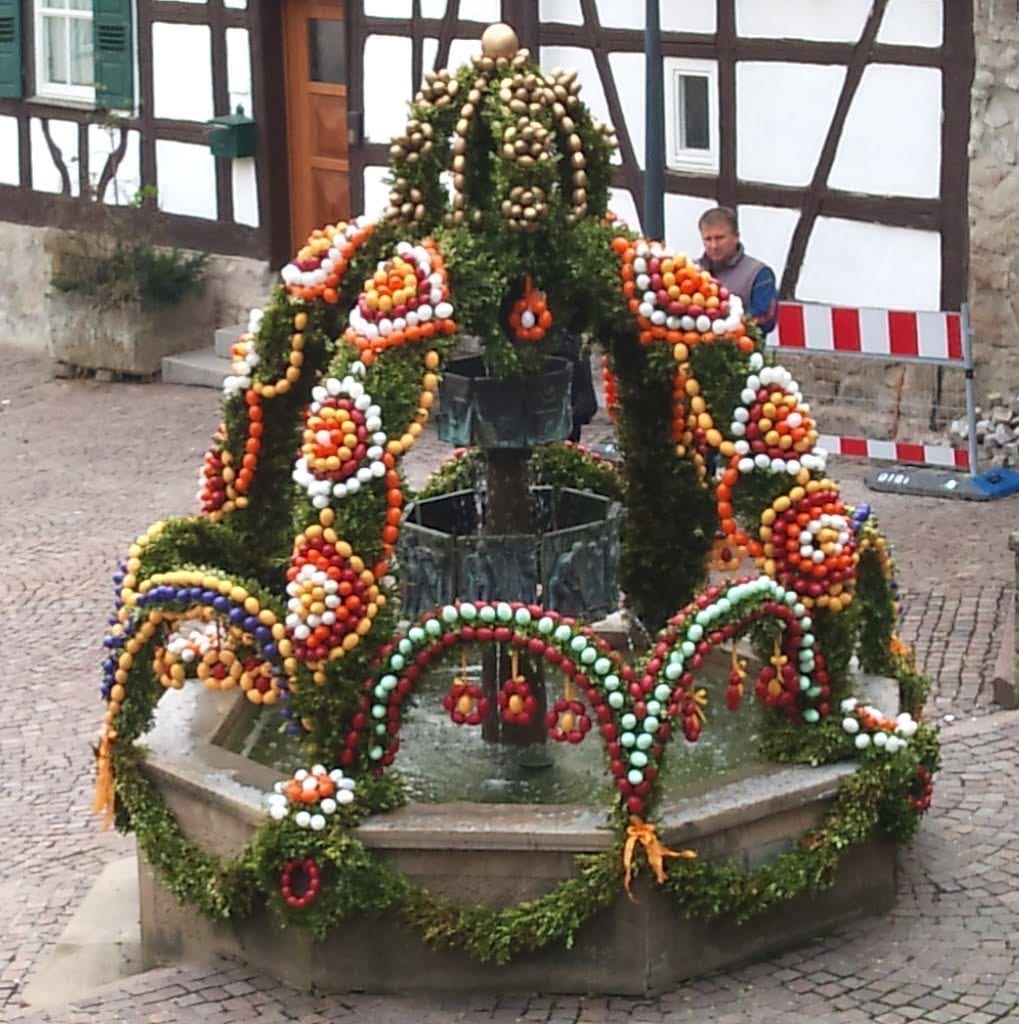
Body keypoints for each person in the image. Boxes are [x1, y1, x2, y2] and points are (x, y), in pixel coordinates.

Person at [697, 206, 778, 334]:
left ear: (736, 236)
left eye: (720, 238)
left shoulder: (759, 273)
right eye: (708, 239)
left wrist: (723, 326)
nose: (714, 245)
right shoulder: (692, 271)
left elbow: (767, 321)